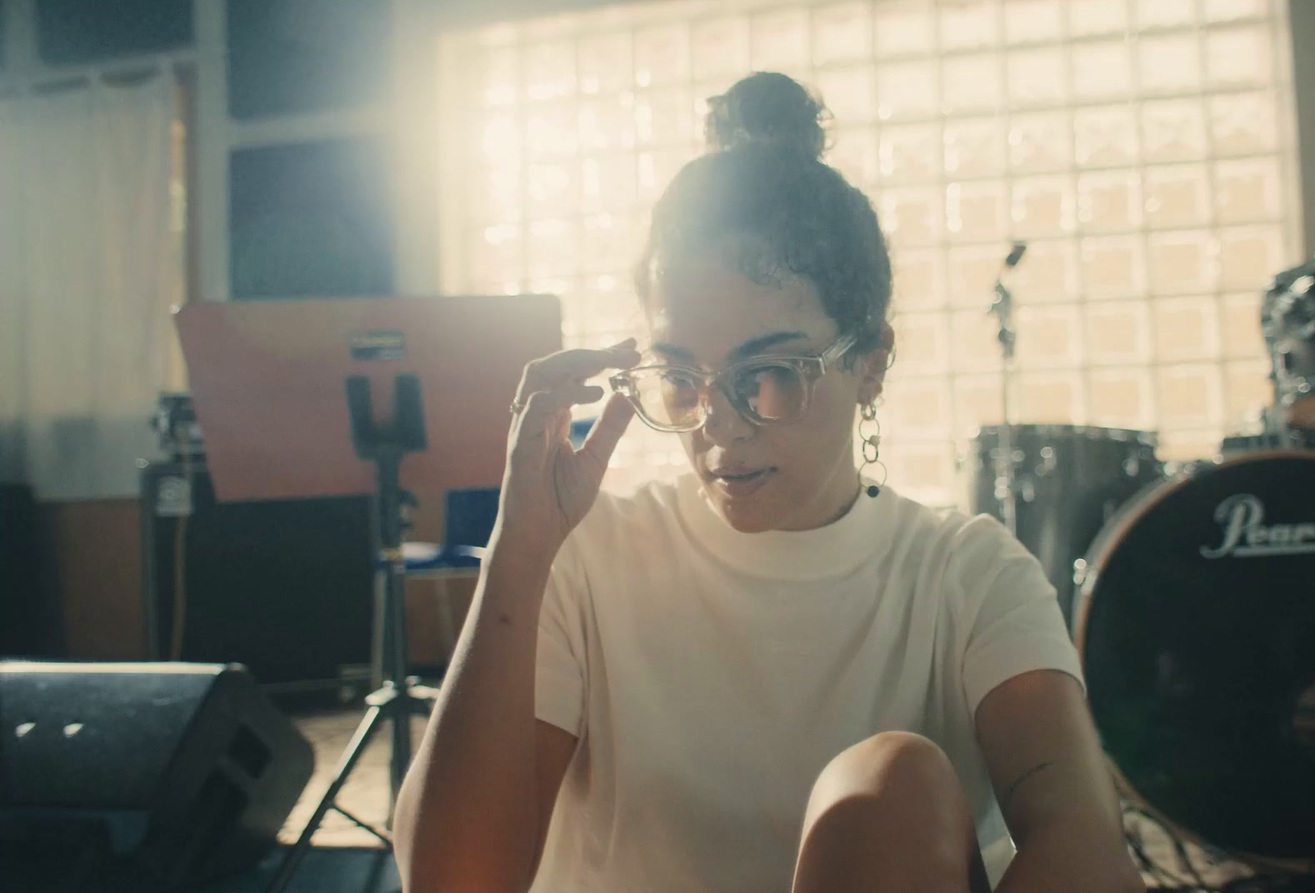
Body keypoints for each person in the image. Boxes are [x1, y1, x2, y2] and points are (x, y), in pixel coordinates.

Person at [393, 72, 1142, 893]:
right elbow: (450, 881)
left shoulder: (968, 574)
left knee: (894, 787)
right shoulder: (587, 556)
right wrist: (519, 550)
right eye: (681, 376)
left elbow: (1088, 851)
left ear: (870, 364)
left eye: (771, 373)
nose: (720, 422)